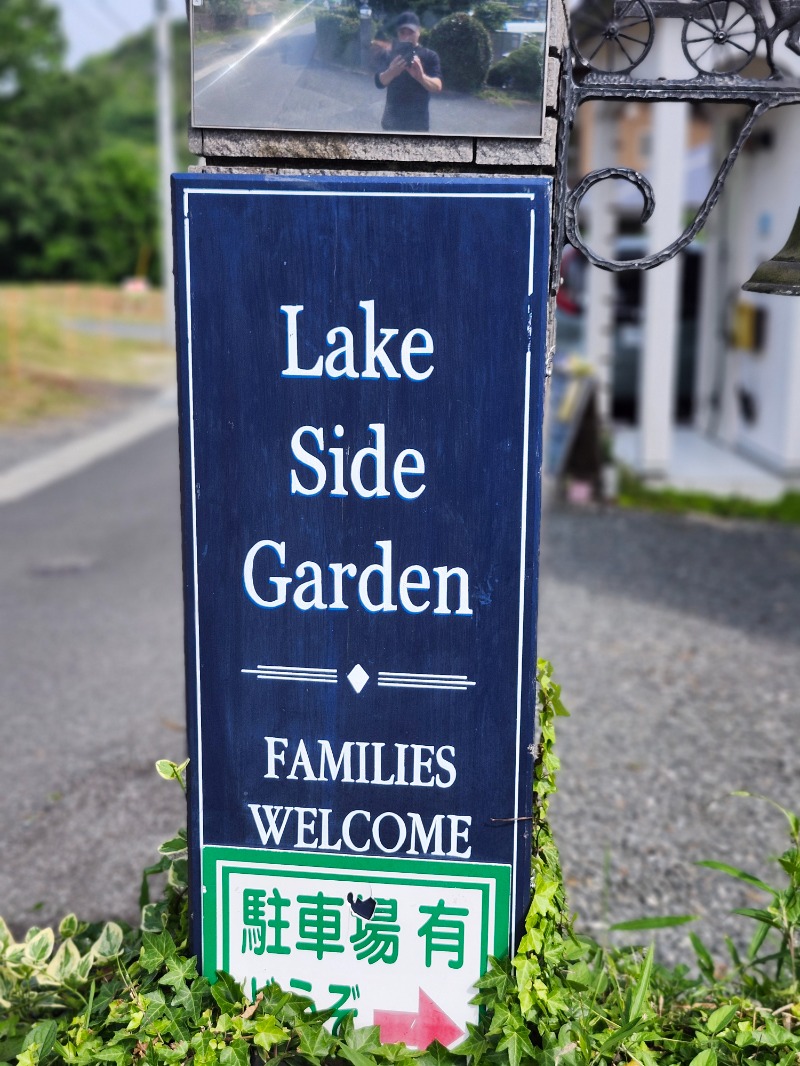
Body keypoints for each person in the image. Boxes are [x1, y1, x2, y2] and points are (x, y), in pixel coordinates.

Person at [374, 12, 442, 132]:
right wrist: (392, 71)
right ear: (397, 33)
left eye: (411, 32)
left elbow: (437, 86)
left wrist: (421, 77)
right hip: (392, 121)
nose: (406, 36)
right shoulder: (390, 54)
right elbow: (379, 82)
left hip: (418, 123)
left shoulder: (430, 56)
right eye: (402, 32)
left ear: (419, 31)